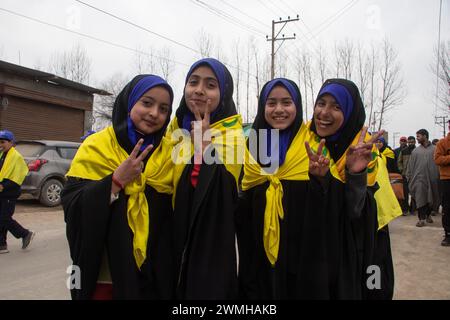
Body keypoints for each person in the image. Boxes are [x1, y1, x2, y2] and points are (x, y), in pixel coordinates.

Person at [61, 75, 176, 299]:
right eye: (147, 103)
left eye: (163, 109)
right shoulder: (97, 145)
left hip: (153, 276)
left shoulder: (169, 154)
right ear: (129, 102)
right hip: (107, 275)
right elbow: (72, 205)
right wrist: (114, 182)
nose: (154, 113)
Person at [236, 78, 331, 299]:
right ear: (263, 107)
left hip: (301, 255)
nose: (279, 109)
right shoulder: (251, 146)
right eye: (271, 103)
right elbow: (243, 198)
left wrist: (318, 181)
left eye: (286, 102)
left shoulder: (314, 145)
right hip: (257, 256)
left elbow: (328, 207)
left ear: (297, 106)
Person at [308, 78, 399, 300]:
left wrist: (355, 175)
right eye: (321, 103)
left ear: (350, 112)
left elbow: (359, 211)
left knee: (372, 288)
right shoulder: (310, 144)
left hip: (368, 244)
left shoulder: (364, 151)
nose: (324, 113)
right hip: (328, 245)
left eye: (336, 106)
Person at [165, 58, 245, 299]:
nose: (199, 90)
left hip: (210, 250)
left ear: (224, 93)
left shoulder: (232, 136)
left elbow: (224, 198)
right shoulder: (172, 131)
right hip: (168, 242)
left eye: (210, 85)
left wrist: (204, 148)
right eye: (193, 82)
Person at [0, 130, 34, 254]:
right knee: (2, 218)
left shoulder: (16, 157)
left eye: (3, 142)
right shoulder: (2, 155)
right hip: (2, 192)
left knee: (4, 218)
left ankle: (25, 234)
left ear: (11, 142)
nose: (0, 144)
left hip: (9, 192)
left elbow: (18, 177)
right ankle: (2, 245)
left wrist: (3, 186)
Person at [406, 129, 440, 227]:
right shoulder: (416, 151)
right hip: (419, 179)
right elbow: (410, 165)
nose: (417, 138)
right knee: (420, 199)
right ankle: (421, 219)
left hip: (433, 179)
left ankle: (428, 215)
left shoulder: (435, 149)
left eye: (419, 136)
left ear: (425, 136)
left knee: (432, 199)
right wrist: (409, 176)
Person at [434, 121, 450, 246]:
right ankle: (448, 234)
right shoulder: (442, 143)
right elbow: (438, 159)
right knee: (448, 207)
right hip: (447, 179)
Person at [398, 136, 416, 215]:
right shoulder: (404, 151)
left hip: (415, 175)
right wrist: (402, 169)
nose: (411, 143)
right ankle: (405, 209)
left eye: (412, 142)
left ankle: (413, 209)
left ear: (415, 142)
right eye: (409, 142)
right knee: (405, 193)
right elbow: (399, 162)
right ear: (407, 142)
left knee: (414, 193)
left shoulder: (417, 151)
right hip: (405, 175)